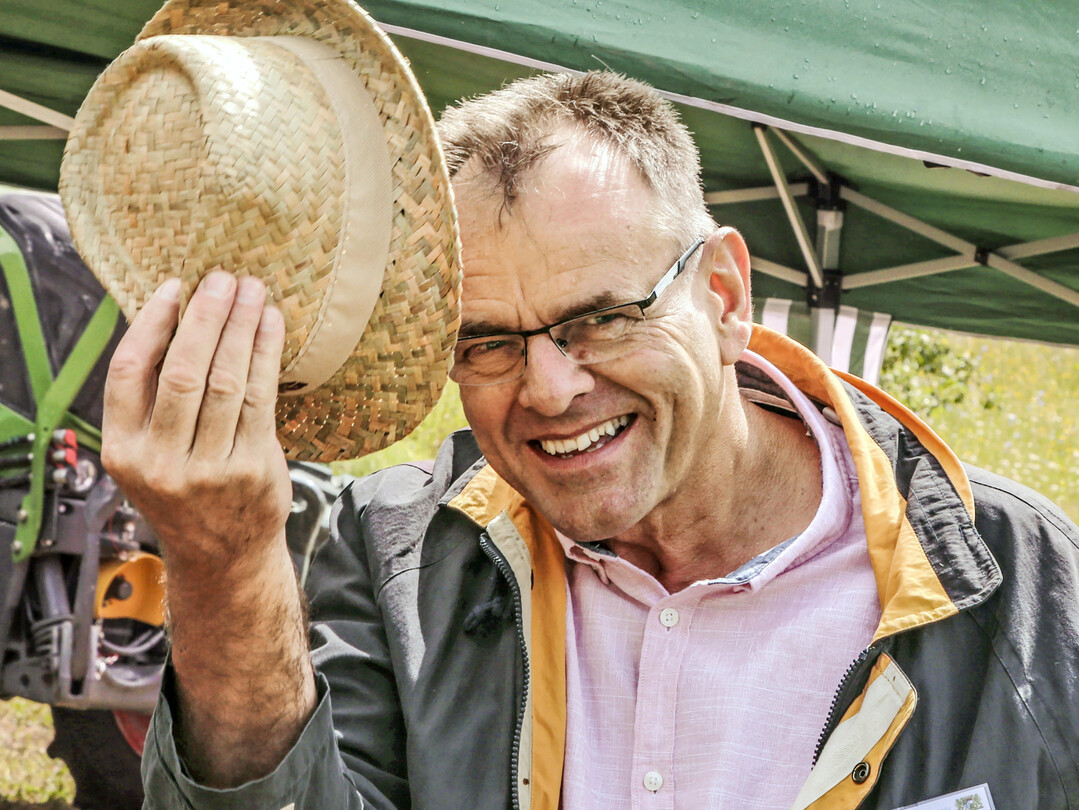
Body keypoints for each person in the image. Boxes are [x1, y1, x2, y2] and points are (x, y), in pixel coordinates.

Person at [103, 71, 1079, 809]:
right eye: (487, 342)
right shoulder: (395, 555)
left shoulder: (1020, 578)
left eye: (602, 317)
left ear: (725, 298)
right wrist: (224, 560)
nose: (551, 389)